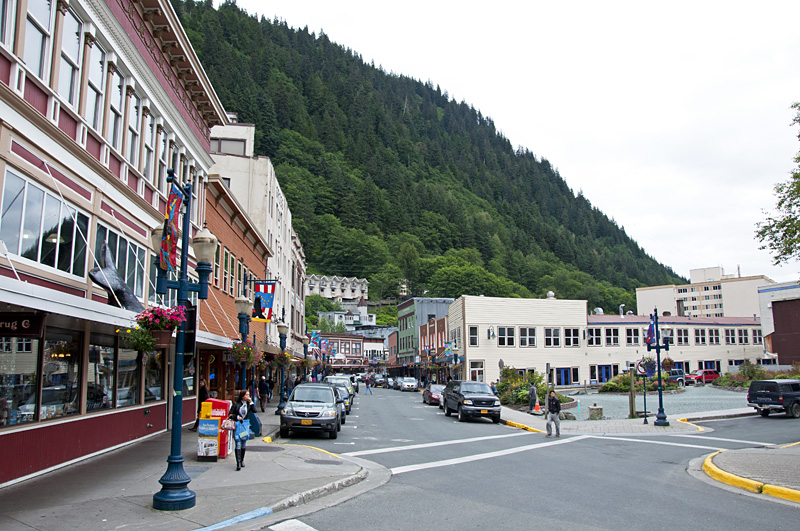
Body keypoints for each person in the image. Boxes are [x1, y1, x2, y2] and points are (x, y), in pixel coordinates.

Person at [229, 389, 255, 470]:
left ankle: (242, 460)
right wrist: (237, 417)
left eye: (248, 395)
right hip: (238, 425)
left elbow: (255, 411)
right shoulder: (236, 404)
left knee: (243, 443)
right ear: (242, 396)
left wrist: (251, 402)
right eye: (246, 395)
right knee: (238, 443)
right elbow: (230, 414)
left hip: (245, 425)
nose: (248, 396)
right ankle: (238, 463)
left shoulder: (248, 404)